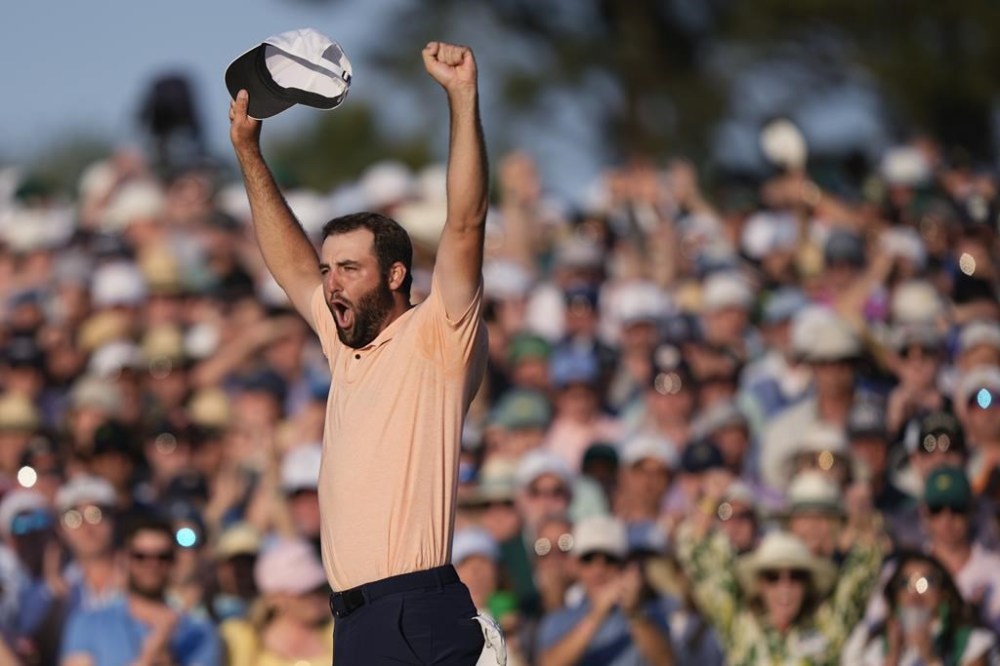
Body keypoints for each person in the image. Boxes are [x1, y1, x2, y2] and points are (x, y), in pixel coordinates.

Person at [229, 41, 491, 663]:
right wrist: (249, 154)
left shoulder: (437, 334)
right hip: (357, 619)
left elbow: (465, 224)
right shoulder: (344, 341)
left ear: (396, 274)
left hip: (413, 609)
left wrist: (462, 98)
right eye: (329, 270)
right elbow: (290, 266)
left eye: (349, 268)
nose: (331, 284)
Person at [60, 514, 220, 666]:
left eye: (162, 556)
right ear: (125, 559)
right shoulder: (89, 622)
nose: (152, 565)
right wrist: (150, 654)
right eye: (140, 556)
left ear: (174, 561)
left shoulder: (199, 630)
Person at [841, 550, 999, 666]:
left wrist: (931, 658)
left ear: (944, 592)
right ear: (895, 594)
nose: (915, 593)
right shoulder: (875, 644)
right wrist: (893, 656)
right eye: (905, 583)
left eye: (926, 582)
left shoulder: (971, 642)